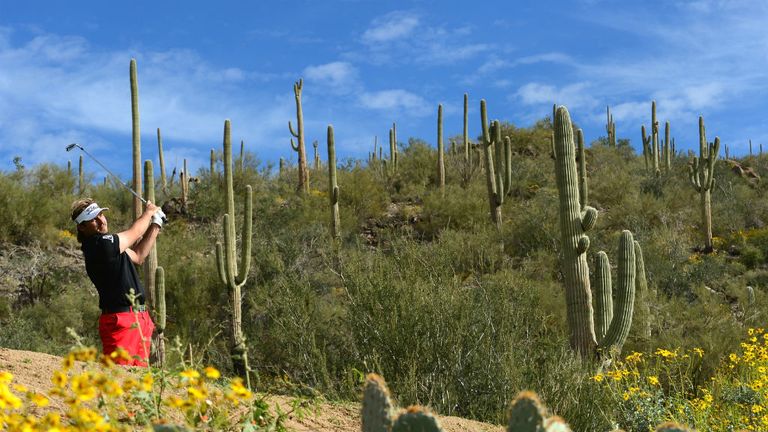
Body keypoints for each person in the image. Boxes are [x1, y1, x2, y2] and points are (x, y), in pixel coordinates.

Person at [70, 198, 165, 367]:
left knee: (139, 380)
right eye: (93, 219)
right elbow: (135, 233)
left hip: (139, 318)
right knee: (120, 379)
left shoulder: (107, 245)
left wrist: (156, 224)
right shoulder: (99, 245)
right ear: (81, 227)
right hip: (121, 321)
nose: (101, 220)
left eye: (101, 215)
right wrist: (149, 212)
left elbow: (138, 255)